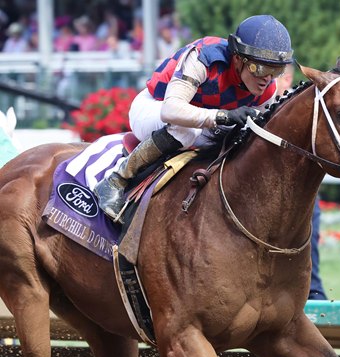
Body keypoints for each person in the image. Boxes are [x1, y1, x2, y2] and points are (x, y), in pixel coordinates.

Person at [93, 15, 293, 221]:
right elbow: (171, 110)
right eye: (259, 68)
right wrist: (223, 116)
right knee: (187, 129)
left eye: (276, 70)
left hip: (196, 121)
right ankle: (116, 181)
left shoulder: (268, 90)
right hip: (153, 107)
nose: (267, 78)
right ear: (238, 58)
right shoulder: (203, 58)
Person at [275, 64, 327, 301]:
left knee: (309, 235)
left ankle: (313, 293)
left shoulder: (296, 108)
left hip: (297, 191)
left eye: (276, 76)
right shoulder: (253, 103)